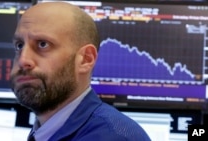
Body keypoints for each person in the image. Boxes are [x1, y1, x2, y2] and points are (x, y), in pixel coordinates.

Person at [10, 1, 151, 141]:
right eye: (19, 45)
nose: (23, 60)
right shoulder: (47, 130)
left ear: (86, 59)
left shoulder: (113, 137)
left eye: (43, 44)